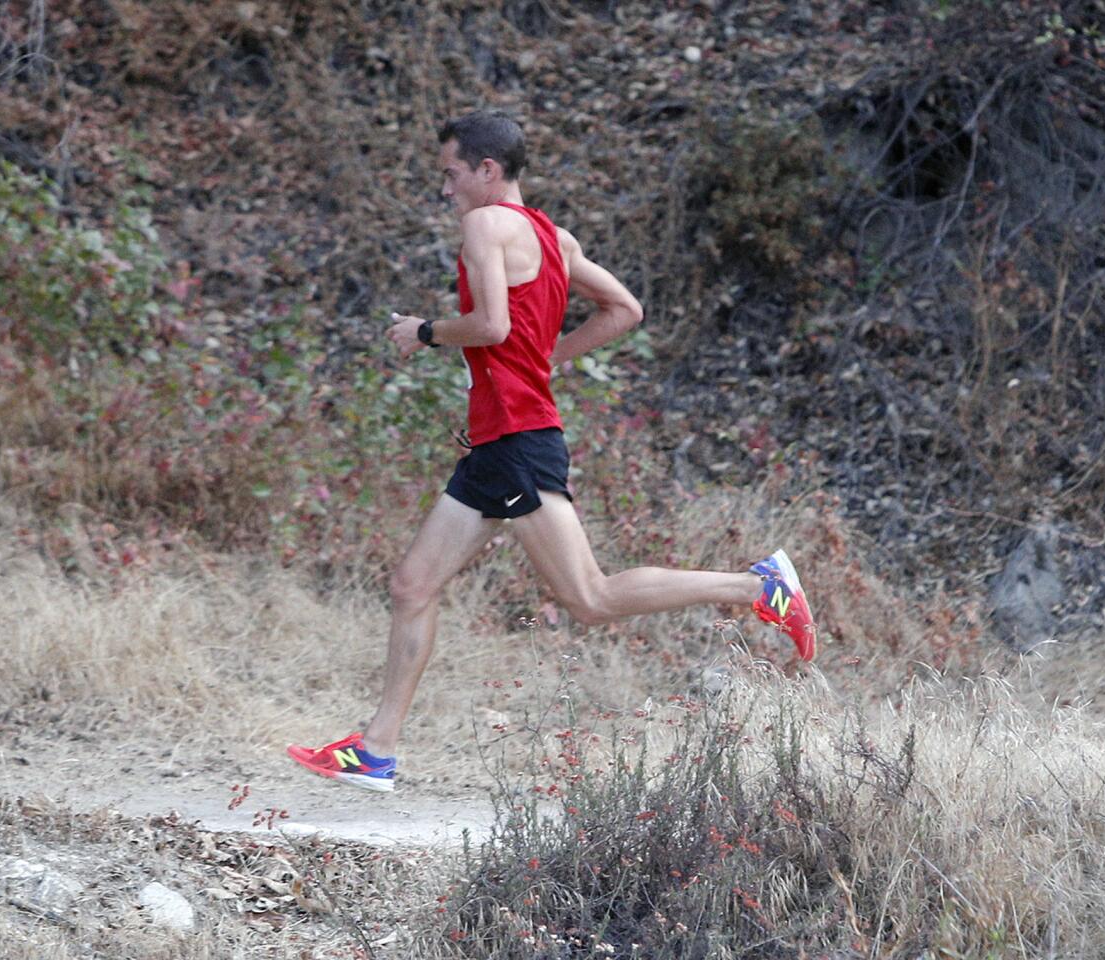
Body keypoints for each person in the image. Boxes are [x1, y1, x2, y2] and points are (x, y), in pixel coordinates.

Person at [287, 111, 815, 793]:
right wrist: (548, 359)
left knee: (588, 597)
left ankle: (757, 587)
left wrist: (422, 331)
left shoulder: (483, 225)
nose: (445, 189)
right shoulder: (553, 237)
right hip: (500, 437)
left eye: (450, 174)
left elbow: (488, 325)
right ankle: (375, 750)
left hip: (517, 439)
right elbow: (624, 309)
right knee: (412, 585)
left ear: (486, 170)